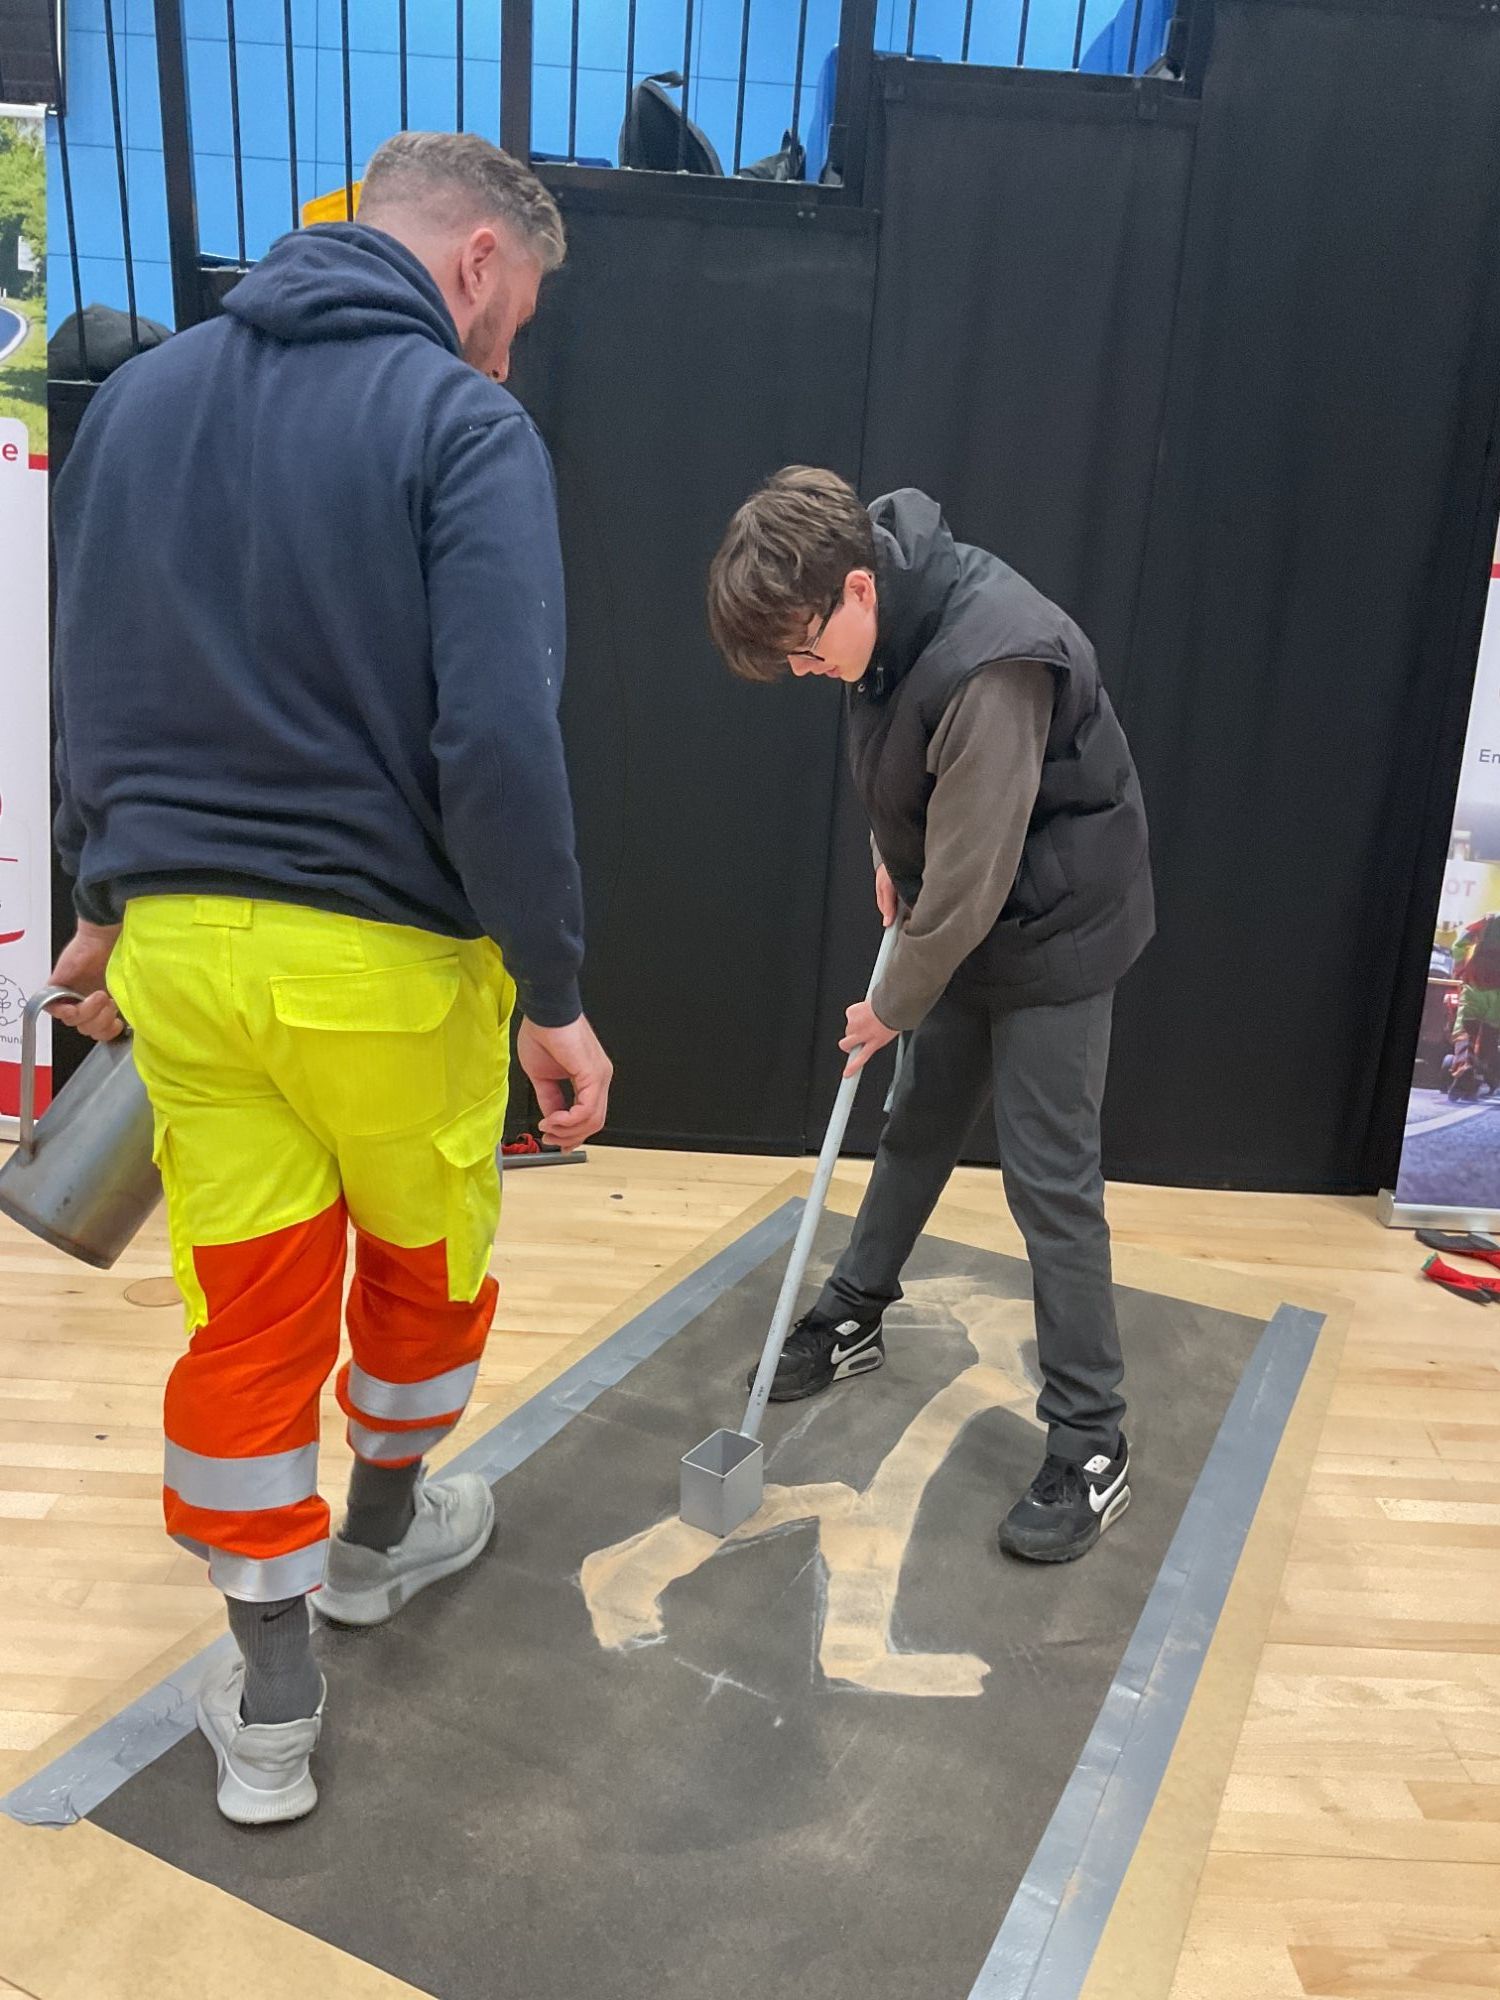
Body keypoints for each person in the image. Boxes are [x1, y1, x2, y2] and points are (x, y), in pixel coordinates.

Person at [48, 133, 612, 1824]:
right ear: (479, 266)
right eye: (519, 310)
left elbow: (96, 672)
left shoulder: (140, 401)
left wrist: (97, 905)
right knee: (425, 1245)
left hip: (185, 963)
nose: (510, 347)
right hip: (384, 958)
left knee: (251, 1287)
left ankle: (273, 1689)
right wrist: (555, 985)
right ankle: (379, 1531)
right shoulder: (461, 420)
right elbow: (498, 733)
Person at [707, 469, 1153, 1564]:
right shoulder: (883, 620)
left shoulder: (996, 658)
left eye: (809, 651)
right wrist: (887, 855)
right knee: (918, 1123)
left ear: (857, 588)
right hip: (970, 907)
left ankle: (1094, 1442)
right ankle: (858, 1306)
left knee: (1049, 1181)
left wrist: (888, 1004)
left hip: (1054, 927)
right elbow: (904, 767)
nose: (810, 672)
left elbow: (970, 882)